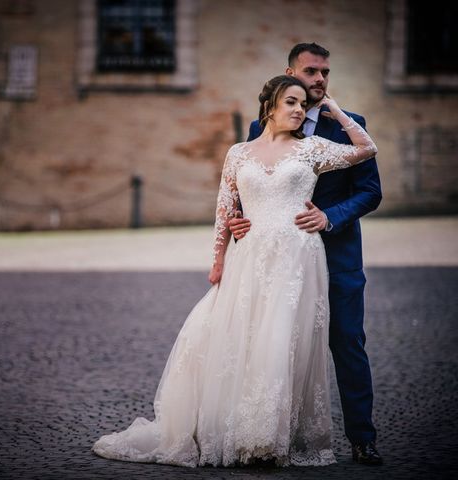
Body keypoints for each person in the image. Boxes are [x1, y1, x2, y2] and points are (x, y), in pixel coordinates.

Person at [92, 74, 378, 468]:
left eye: (303, 104)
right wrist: (218, 260)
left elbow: (366, 148)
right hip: (251, 255)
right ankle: (238, 429)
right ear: (270, 107)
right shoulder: (239, 153)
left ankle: (267, 439)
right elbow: (225, 209)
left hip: (298, 257)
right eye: (291, 103)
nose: (299, 110)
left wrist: (336, 110)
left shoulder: (313, 149)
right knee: (243, 339)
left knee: (281, 341)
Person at [229, 43, 383, 465]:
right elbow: (247, 185)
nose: (318, 80)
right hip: (278, 265)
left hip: (338, 260)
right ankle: (276, 436)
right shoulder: (260, 128)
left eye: (325, 73)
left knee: (348, 343)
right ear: (290, 73)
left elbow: (371, 192)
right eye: (310, 72)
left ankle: (362, 438)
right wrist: (239, 222)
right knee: (273, 344)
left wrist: (328, 217)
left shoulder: (350, 125)